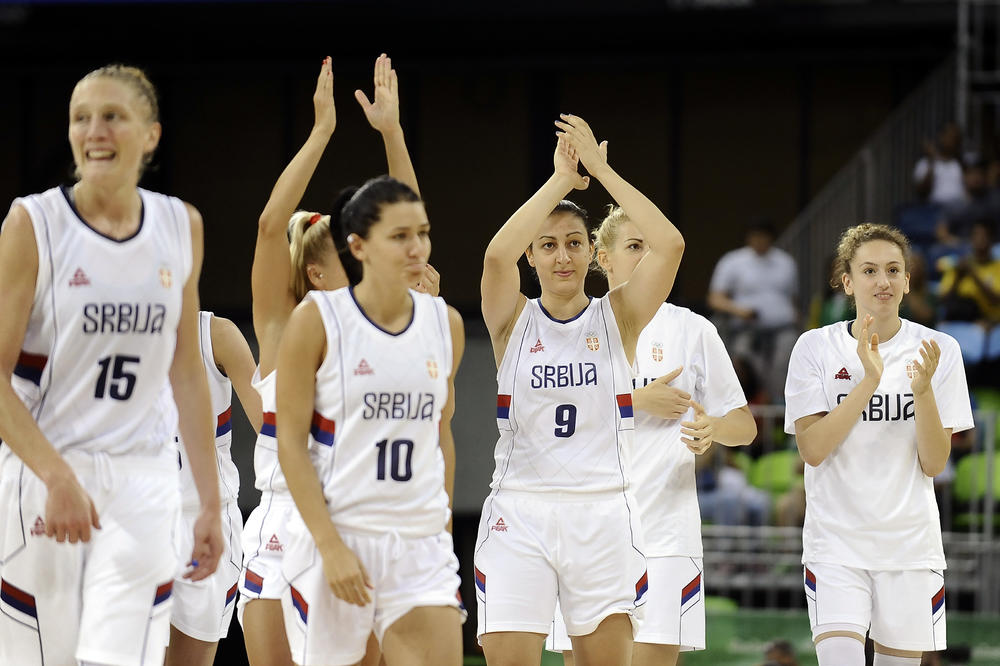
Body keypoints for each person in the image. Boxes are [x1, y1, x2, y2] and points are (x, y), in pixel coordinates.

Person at [0, 64, 223, 665]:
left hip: (144, 481)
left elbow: (186, 372)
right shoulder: (34, 223)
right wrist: (56, 476)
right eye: (80, 118)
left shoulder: (182, 225)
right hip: (50, 476)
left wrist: (208, 501)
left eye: (112, 117)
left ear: (150, 135)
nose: (94, 131)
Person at [238, 55, 427, 666]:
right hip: (278, 522)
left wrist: (392, 134)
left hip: (356, 520)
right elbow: (270, 226)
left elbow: (410, 227)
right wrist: (321, 132)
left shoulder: (382, 326)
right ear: (317, 271)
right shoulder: (281, 328)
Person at [475, 116, 685, 666]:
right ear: (533, 256)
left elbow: (670, 243)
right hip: (519, 511)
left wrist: (600, 170)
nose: (562, 256)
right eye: (547, 245)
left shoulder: (618, 315)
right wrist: (561, 182)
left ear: (591, 254)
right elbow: (496, 256)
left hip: (602, 510)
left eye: (573, 244)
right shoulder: (510, 318)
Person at [546, 204, 757, 666]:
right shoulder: (574, 325)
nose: (646, 256)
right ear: (604, 258)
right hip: (586, 529)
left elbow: (745, 427)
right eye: (634, 246)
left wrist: (713, 427)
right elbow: (548, 424)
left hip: (665, 532)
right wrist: (635, 402)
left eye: (651, 247)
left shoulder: (693, 329)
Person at [276, 174, 465, 666]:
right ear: (357, 245)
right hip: (341, 531)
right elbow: (291, 444)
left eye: (422, 233)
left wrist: (441, 527)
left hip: (420, 539)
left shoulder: (445, 324)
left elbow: (440, 434)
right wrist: (329, 544)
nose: (416, 247)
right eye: (399, 236)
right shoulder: (318, 320)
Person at [784, 223, 974, 666]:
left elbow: (934, 462)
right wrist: (868, 380)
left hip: (909, 547)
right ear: (847, 281)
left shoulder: (938, 349)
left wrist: (923, 392)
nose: (883, 281)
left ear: (908, 281)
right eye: (869, 270)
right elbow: (812, 449)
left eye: (893, 270)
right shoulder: (814, 348)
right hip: (835, 545)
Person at [166, 312, 263, 666]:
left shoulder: (216, 334)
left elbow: (276, 430)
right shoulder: (101, 331)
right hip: (132, 518)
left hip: (202, 525)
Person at [707, 218, 799, 403]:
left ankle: (780, 414)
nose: (759, 242)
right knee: (745, 367)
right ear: (749, 239)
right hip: (746, 328)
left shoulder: (785, 262)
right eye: (755, 237)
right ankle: (744, 407)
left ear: (771, 239)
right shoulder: (733, 261)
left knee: (785, 366)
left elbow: (792, 299)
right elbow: (715, 298)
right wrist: (739, 310)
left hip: (782, 328)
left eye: (763, 237)